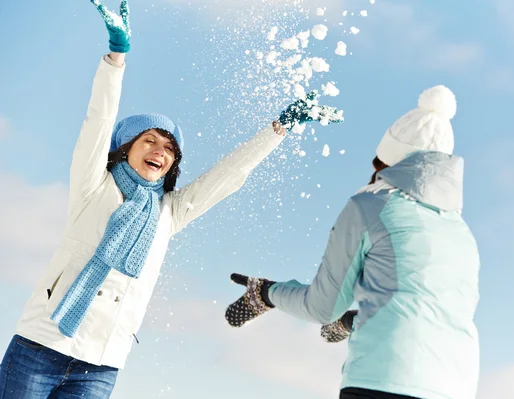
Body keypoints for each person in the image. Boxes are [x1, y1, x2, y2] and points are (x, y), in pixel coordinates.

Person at [0, 1, 342, 398]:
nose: (160, 151)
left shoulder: (168, 212)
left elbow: (228, 176)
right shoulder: (94, 186)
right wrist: (117, 55)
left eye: (170, 149)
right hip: (40, 346)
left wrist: (280, 128)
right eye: (150, 140)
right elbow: (98, 119)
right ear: (126, 147)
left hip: (100, 363)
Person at [225, 85, 481, 399]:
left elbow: (322, 307)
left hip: (382, 382)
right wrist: (356, 321)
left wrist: (266, 293)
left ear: (389, 160)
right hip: (457, 386)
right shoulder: (461, 232)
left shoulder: (372, 205)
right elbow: (425, 311)